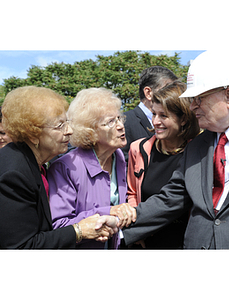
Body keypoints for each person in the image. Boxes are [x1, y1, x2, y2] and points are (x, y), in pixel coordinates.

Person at [122, 50, 229, 249]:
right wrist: (119, 224)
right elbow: (170, 199)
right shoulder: (196, 145)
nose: (192, 107)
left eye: (199, 98)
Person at [0, 86, 118, 249]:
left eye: (67, 123)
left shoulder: (34, 163)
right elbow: (22, 247)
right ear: (33, 134)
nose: (70, 131)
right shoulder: (14, 174)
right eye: (59, 126)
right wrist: (79, 230)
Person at [47, 88, 136, 249]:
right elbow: (60, 225)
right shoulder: (65, 167)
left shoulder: (118, 157)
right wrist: (108, 211)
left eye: (119, 118)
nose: (121, 126)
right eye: (111, 122)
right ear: (90, 132)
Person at [127, 80, 200, 249]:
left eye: (164, 116)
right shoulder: (138, 149)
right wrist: (137, 230)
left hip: (186, 242)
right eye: (154, 114)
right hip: (145, 241)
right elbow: (131, 193)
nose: (156, 121)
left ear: (183, 119)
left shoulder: (199, 151)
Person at [122, 66, 178, 162]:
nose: (172, 94)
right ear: (148, 93)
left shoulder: (177, 121)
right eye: (167, 89)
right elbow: (122, 166)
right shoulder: (125, 122)